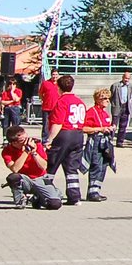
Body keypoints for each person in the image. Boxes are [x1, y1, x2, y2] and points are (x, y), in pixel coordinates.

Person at [43, 73, 87, 206]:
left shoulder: (61, 101)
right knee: (72, 167)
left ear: (58, 88)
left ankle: (45, 192)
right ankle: (74, 196)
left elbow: (58, 123)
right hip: (78, 135)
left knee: (52, 164)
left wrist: (50, 139)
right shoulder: (80, 102)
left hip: (64, 134)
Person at [2, 126, 62, 209]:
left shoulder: (37, 145)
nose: (27, 141)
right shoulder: (7, 151)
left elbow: (44, 166)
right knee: (12, 178)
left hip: (40, 178)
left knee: (55, 204)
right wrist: (26, 151)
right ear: (14, 143)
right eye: (23, 140)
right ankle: (20, 200)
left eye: (26, 137)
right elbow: (15, 169)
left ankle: (38, 198)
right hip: (25, 180)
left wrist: (34, 153)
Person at [81, 88, 115, 202]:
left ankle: (97, 190)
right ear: (97, 99)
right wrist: (100, 129)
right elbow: (84, 128)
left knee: (104, 166)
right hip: (95, 141)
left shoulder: (105, 113)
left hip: (105, 142)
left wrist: (111, 128)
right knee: (96, 165)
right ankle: (92, 192)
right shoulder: (91, 111)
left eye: (108, 99)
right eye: (104, 98)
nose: (107, 101)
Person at [110, 72, 132, 146]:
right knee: (114, 125)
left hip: (125, 107)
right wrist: (114, 104)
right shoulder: (115, 85)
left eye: (128, 78)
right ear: (122, 77)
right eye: (126, 78)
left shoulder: (130, 86)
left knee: (123, 126)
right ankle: (110, 140)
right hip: (117, 107)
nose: (127, 80)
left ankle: (120, 142)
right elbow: (110, 96)